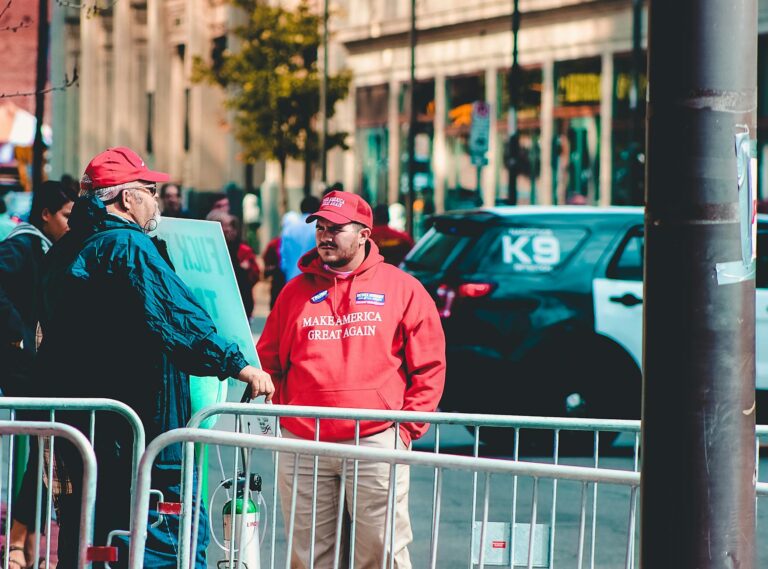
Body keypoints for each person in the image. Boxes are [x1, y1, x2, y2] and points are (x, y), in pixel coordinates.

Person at [36, 147, 274, 568]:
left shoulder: (66, 248)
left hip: (86, 430)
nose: (156, 199)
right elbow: (176, 318)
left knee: (94, 541)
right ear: (126, 199)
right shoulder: (128, 247)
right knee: (163, 542)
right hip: (140, 427)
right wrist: (240, 364)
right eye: (149, 189)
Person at [257, 190, 446, 568]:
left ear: (364, 234)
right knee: (310, 556)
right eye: (321, 228)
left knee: (381, 552)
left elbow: (429, 365)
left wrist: (406, 429)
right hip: (304, 442)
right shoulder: (294, 292)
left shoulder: (402, 288)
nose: (325, 236)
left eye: (336, 229)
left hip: (376, 438)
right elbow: (268, 361)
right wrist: (285, 416)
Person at [0, 180, 76, 569]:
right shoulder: (22, 245)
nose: (71, 223)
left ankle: (27, 542)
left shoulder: (49, 247)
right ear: (45, 214)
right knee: (45, 451)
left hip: (39, 367)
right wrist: (20, 338)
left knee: (46, 453)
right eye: (66, 215)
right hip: (25, 369)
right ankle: (18, 541)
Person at [206, 210, 260, 318]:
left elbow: (255, 274)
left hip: (242, 305)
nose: (228, 230)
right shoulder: (209, 251)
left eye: (231, 226)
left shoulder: (243, 250)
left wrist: (245, 270)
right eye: (224, 226)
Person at [279, 195, 320, 282]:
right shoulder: (320, 227)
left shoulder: (289, 228)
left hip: (291, 280)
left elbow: (283, 259)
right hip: (314, 281)